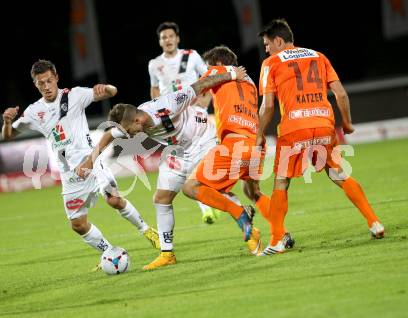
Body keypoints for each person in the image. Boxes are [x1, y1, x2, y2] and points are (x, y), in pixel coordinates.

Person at [76, 66, 250, 270]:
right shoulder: (131, 122)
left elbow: (201, 84)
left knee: (198, 187)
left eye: (129, 131)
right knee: (161, 198)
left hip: (203, 140)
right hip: (179, 150)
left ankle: (239, 209)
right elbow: (108, 136)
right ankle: (167, 254)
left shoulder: (171, 103)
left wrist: (232, 75)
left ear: (138, 120)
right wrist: (90, 160)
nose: (129, 136)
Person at [1, 60, 160, 269]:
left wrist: (106, 88)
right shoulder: (34, 112)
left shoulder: (75, 95)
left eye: (49, 81)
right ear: (35, 85)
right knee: (77, 224)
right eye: (41, 83)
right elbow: (8, 136)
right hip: (69, 174)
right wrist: (6, 122)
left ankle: (149, 232)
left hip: (91, 161)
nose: (46, 86)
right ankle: (109, 253)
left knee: (113, 200)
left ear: (56, 77)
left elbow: (112, 92)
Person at [256, 19, 384, 255]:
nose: (265, 49)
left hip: (295, 128)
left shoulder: (270, 63)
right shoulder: (319, 56)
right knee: (338, 173)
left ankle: (276, 241)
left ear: (278, 41)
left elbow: (267, 107)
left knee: (281, 181)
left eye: (266, 44)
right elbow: (340, 94)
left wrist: (259, 135)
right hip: (324, 125)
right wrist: (346, 123)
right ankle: (374, 222)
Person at [181, 46, 294, 257]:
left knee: (191, 187)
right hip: (254, 145)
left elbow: (197, 87)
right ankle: (282, 233)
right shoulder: (248, 80)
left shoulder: (219, 72)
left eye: (209, 66)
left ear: (218, 64)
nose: (207, 70)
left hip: (233, 146)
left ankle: (240, 213)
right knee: (253, 192)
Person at [148, 21, 219, 224]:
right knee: (187, 161)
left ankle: (212, 199)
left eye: (170, 36)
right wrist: (158, 115)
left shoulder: (191, 55)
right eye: (163, 37)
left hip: (195, 114)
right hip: (172, 122)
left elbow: (208, 77)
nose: (167, 40)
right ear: (160, 41)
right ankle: (207, 203)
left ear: (177, 38)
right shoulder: (154, 64)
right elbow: (154, 91)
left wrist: (204, 104)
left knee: (200, 157)